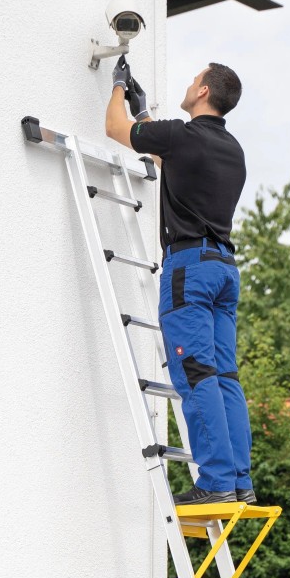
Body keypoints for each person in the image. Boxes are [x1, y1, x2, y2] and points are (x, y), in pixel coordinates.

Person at [105, 61, 255, 507]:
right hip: (224, 270)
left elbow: (116, 128)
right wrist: (142, 108)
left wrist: (117, 86)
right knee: (224, 376)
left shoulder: (182, 137)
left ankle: (214, 483)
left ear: (204, 91)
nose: (188, 84)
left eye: (194, 79)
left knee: (196, 374)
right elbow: (166, 150)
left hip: (189, 270)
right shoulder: (232, 149)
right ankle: (238, 482)